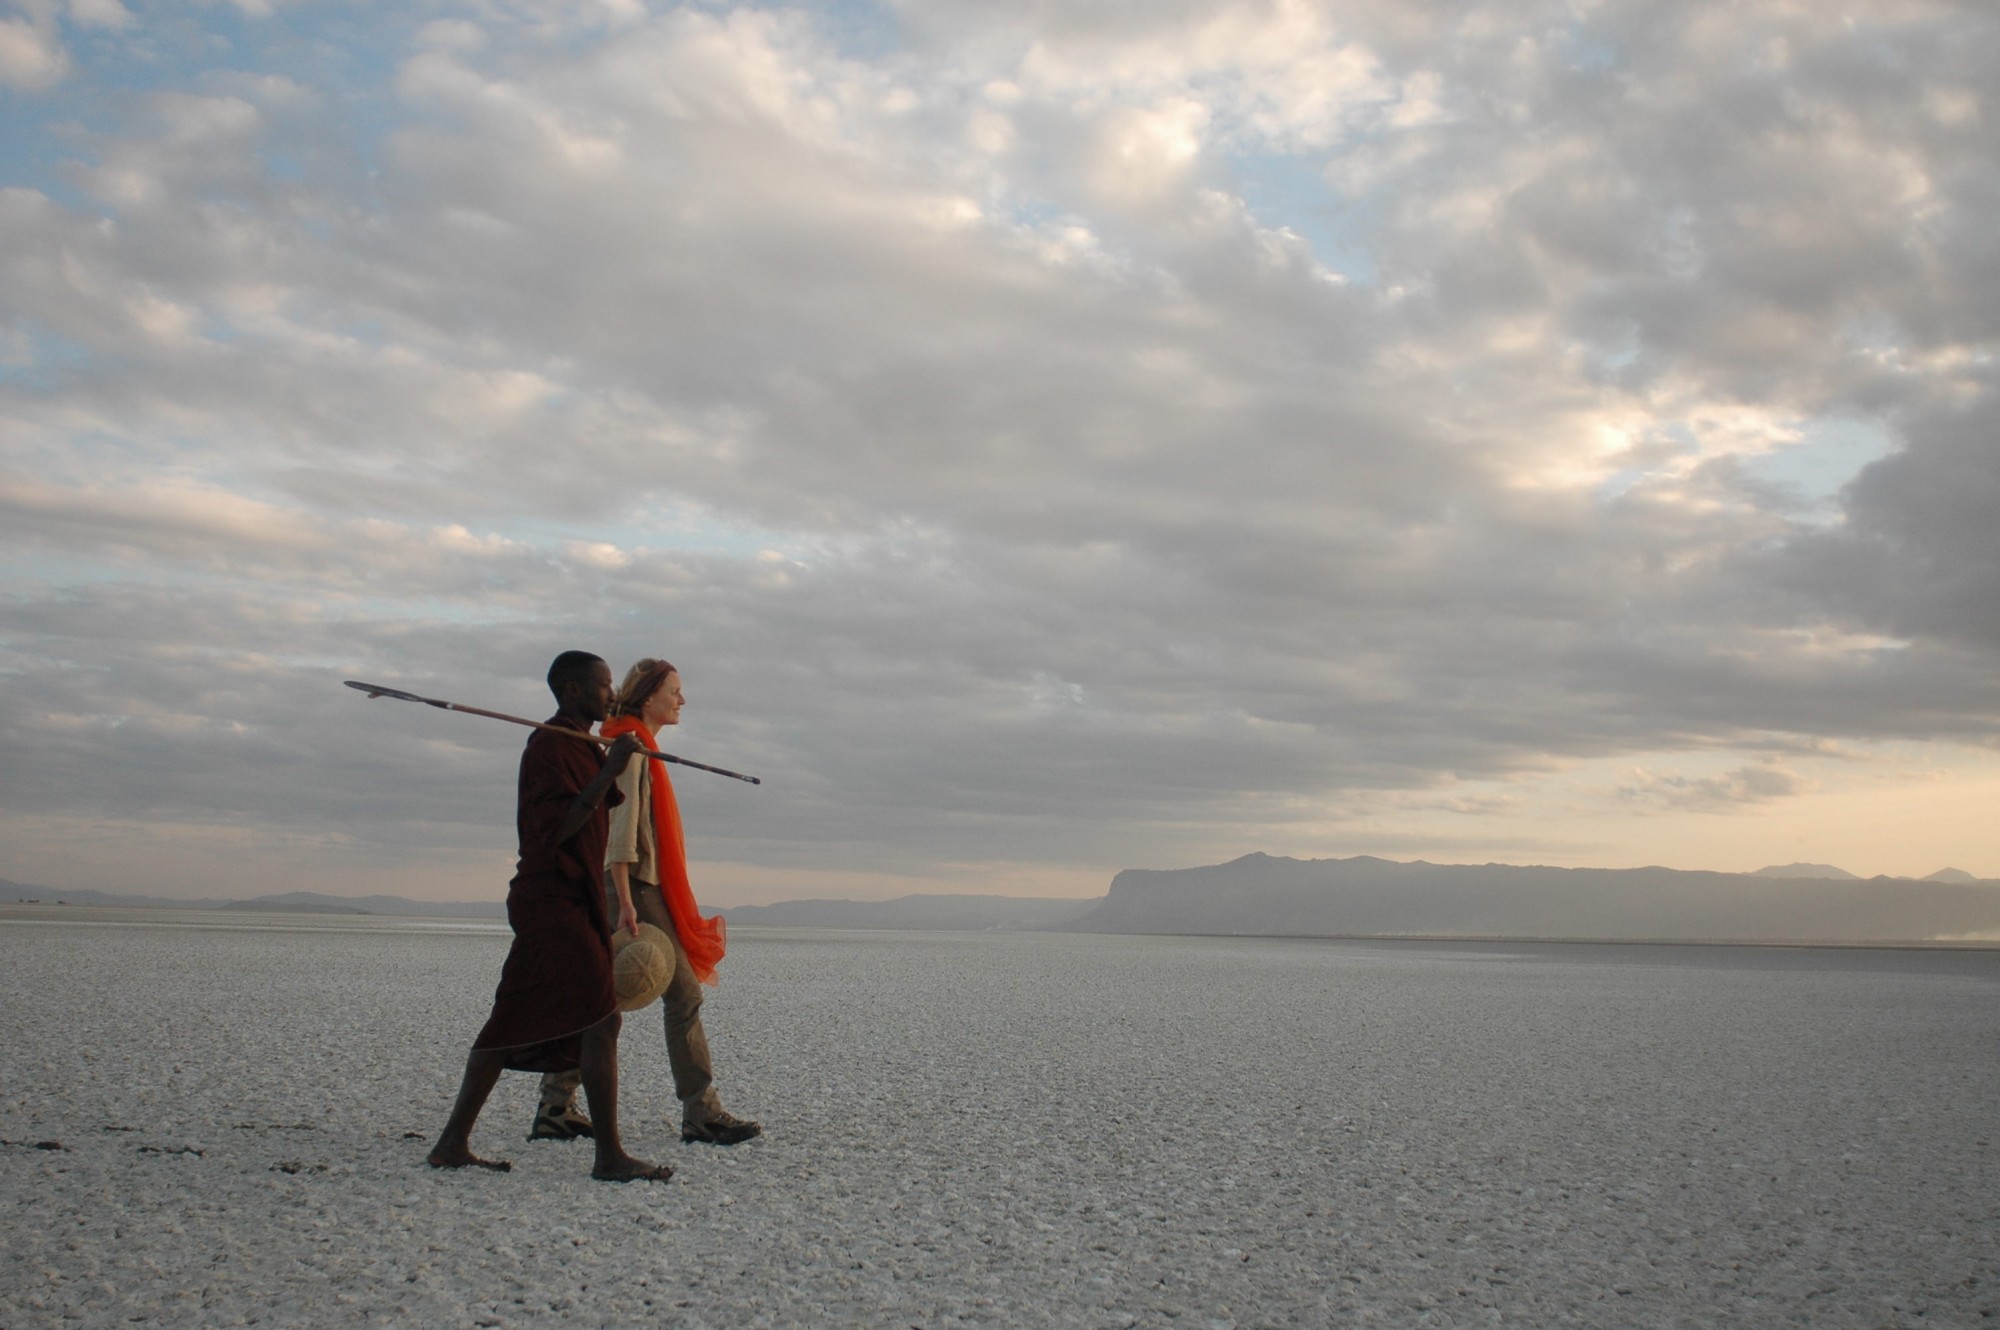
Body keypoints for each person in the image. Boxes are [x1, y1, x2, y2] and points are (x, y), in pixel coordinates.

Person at [426, 651, 671, 1183]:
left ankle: (451, 1143)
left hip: (571, 898)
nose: (611, 695)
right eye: (603, 687)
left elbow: (593, 810)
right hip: (550, 899)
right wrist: (610, 766)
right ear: (572, 692)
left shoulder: (581, 745)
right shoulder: (548, 745)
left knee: (513, 1017)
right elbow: (557, 829)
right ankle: (609, 1157)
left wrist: (609, 762)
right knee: (600, 1019)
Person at [529, 657, 762, 1147]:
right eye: (674, 691)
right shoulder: (630, 747)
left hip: (635, 884)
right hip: (634, 886)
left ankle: (555, 1103)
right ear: (649, 695)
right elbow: (619, 827)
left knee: (605, 996)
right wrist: (625, 900)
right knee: (681, 995)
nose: (682, 700)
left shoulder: (636, 743)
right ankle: (701, 1113)